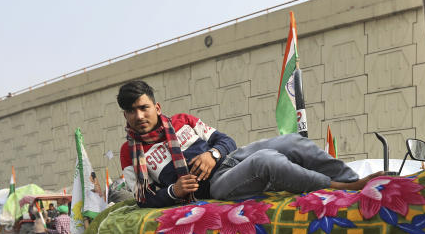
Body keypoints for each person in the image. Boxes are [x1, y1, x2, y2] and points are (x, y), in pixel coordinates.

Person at [116, 80, 387, 207]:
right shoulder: (130, 154)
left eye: (144, 108)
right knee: (266, 160)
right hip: (215, 188)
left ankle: (357, 182)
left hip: (228, 161)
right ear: (126, 115)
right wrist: (174, 191)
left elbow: (226, 140)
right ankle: (345, 188)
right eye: (131, 111)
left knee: (292, 142)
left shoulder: (182, 121)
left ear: (156, 106)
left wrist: (212, 153)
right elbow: (143, 197)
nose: (139, 116)